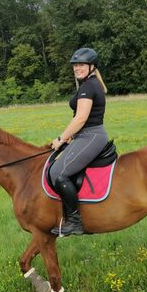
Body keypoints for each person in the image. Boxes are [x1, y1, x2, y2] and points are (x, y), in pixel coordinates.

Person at [49, 47, 109, 237]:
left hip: (91, 135)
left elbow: (80, 118)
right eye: (75, 65)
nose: (77, 68)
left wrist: (61, 139)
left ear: (92, 66)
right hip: (84, 136)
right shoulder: (88, 85)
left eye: (81, 64)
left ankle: (74, 222)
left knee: (58, 172)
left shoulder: (89, 86)